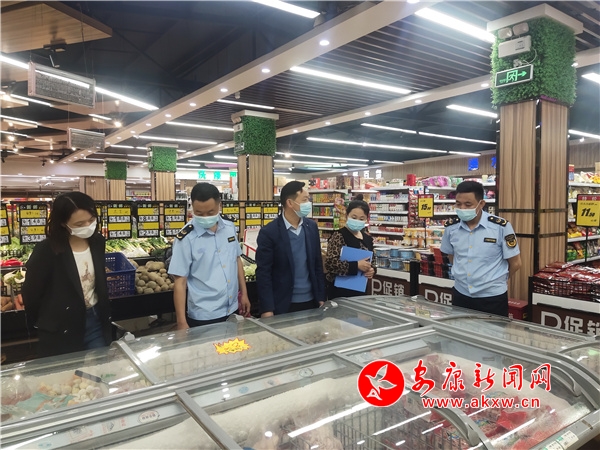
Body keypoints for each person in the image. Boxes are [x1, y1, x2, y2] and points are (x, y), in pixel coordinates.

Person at [22, 192, 111, 357]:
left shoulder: (98, 242)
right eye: (79, 224)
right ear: (63, 223)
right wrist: (46, 322)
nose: (88, 226)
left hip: (95, 319)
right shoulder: (47, 250)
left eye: (91, 220)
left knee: (100, 367)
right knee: (69, 370)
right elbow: (31, 293)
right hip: (61, 326)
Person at [168, 183, 250, 329]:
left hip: (232, 307)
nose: (205, 217)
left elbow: (236, 260)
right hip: (204, 314)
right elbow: (180, 281)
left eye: (211, 212)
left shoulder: (229, 227)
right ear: (192, 207)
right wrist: (181, 322)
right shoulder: (186, 238)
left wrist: (244, 293)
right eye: (199, 213)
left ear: (220, 205)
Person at [440, 181, 522, 316]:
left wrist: (497, 281)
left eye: (468, 204)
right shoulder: (451, 228)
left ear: (481, 204)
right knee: (459, 329)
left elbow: (516, 263)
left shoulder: (500, 227)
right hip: (461, 294)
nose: (462, 208)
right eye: (458, 204)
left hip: (492, 298)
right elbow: (452, 256)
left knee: (493, 330)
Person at [256, 181, 326, 317]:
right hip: (283, 303)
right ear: (290, 203)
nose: (308, 204)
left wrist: (321, 296)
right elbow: (264, 273)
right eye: (304, 200)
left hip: (311, 301)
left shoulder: (311, 227)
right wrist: (267, 308)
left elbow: (317, 264)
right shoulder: (269, 232)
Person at [325, 195, 375, 299]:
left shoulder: (367, 238)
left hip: (360, 290)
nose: (357, 221)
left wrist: (372, 270)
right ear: (347, 215)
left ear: (366, 219)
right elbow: (330, 263)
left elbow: (372, 261)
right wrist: (356, 265)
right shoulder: (339, 235)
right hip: (339, 292)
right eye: (354, 217)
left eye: (361, 218)